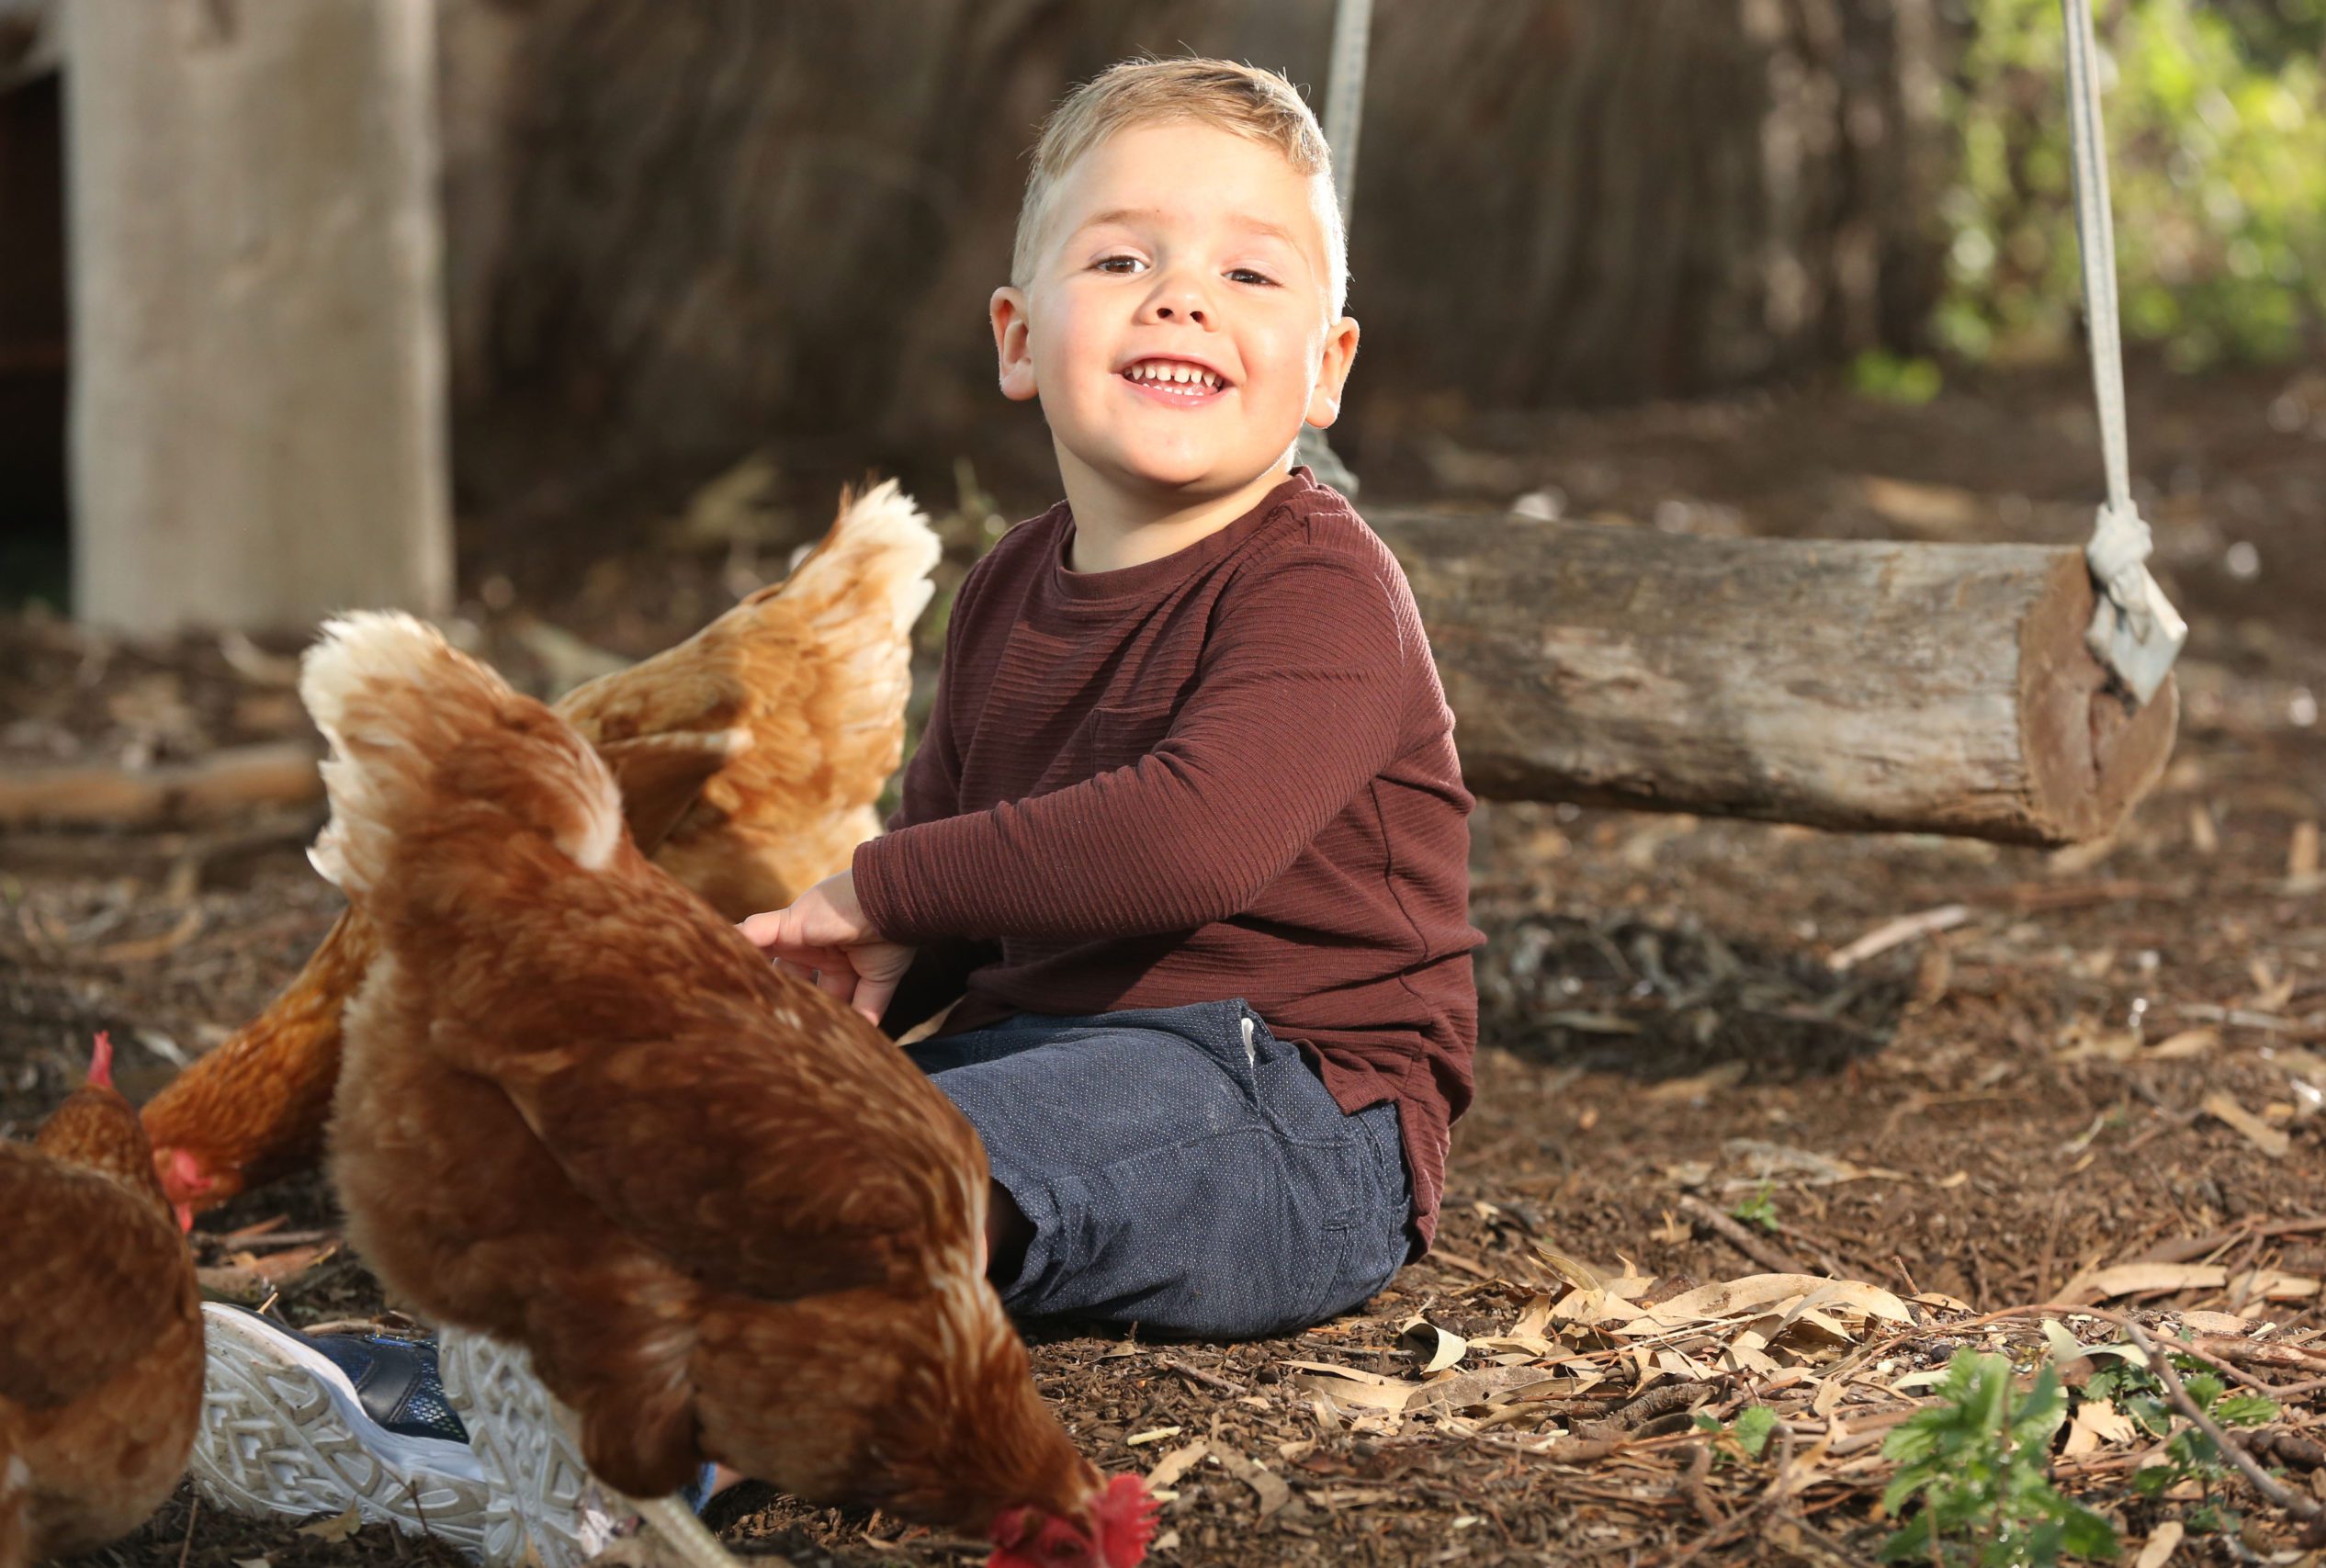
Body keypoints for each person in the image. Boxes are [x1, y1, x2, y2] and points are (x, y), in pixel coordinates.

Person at [186, 55, 1478, 1564]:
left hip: (1294, 1109)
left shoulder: (1318, 585)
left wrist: (883, 894)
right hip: (1057, 1065)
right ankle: (481, 1407)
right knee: (765, 1128)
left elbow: (1192, 834)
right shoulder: (1010, 586)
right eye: (1123, 256)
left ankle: (648, 1455)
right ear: (1018, 338)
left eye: (1248, 270)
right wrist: (867, 968)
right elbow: (962, 858)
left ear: (1325, 368)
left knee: (900, 1170)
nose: (1181, 296)